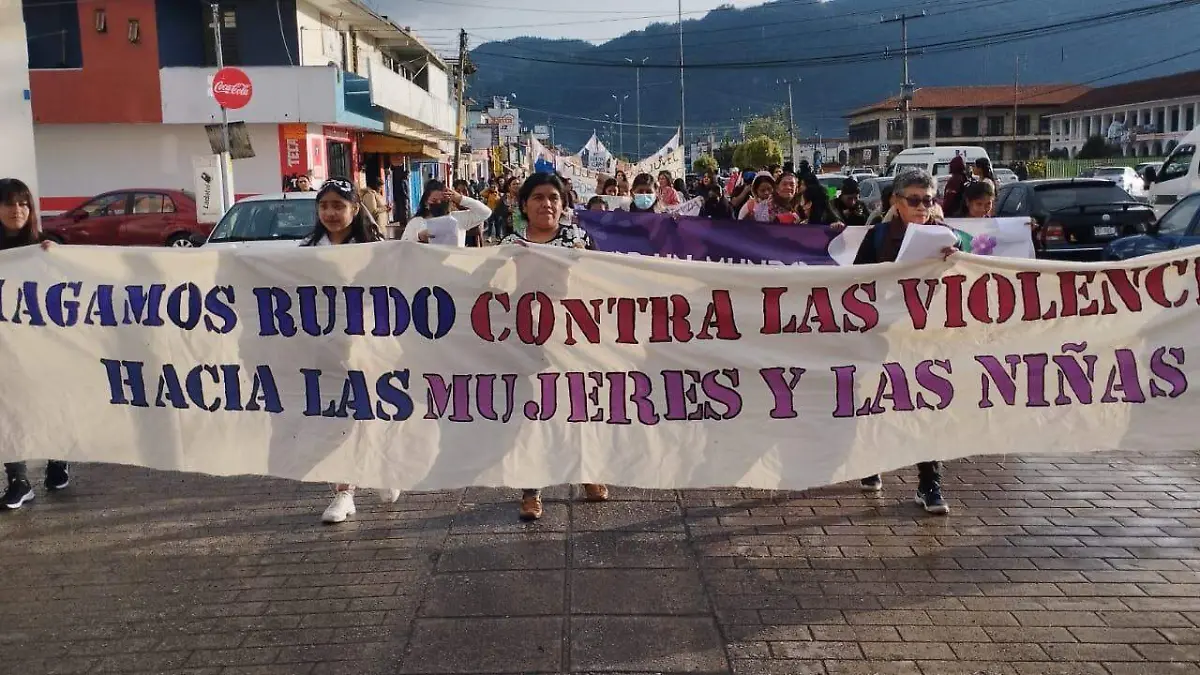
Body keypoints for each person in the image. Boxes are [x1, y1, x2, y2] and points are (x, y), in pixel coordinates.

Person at [500, 173, 608, 521]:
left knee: (577, 407)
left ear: (563, 205)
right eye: (538, 197)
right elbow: (492, 286)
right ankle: (531, 490)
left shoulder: (578, 239)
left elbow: (604, 281)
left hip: (571, 336)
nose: (546, 204)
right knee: (532, 413)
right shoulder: (510, 243)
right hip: (526, 339)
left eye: (553, 198)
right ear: (524, 205)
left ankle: (588, 472)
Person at [853, 169, 954, 515]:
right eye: (914, 200)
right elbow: (854, 281)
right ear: (897, 202)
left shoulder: (946, 236)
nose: (922, 206)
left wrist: (955, 260)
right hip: (882, 333)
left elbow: (968, 278)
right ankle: (871, 460)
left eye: (928, 199)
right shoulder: (878, 237)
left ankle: (929, 482)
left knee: (927, 404)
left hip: (926, 337)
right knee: (876, 400)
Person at [1, 178, 63, 510]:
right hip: (5, 347)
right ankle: (19, 481)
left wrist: (57, 259)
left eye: (23, 203)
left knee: (47, 403)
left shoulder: (45, 246)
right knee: (7, 409)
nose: (17, 210)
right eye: (9, 203)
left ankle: (59, 458)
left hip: (40, 344)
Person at [402, 179, 491, 247]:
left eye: (442, 200)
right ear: (426, 202)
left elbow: (485, 212)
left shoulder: (457, 219)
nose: (439, 203)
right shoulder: (416, 222)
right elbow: (402, 247)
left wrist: (459, 198)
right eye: (434, 200)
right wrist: (419, 237)